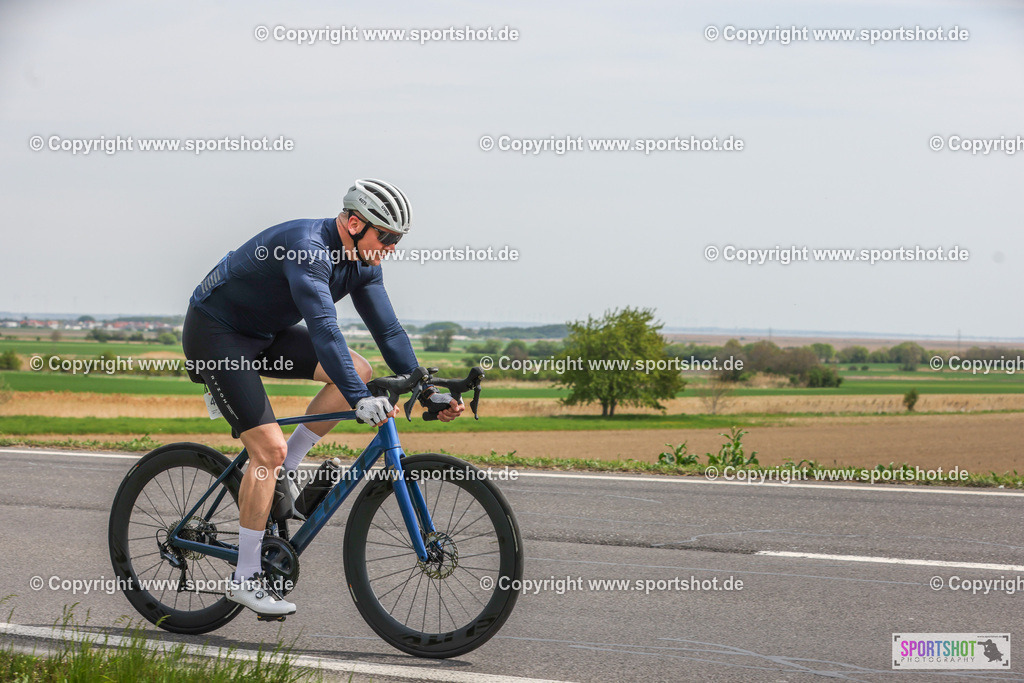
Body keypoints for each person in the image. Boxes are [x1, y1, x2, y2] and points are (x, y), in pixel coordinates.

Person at [181, 178, 463, 617]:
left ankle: (287, 470)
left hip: (263, 333)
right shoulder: (307, 249)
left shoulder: (364, 262)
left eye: (398, 241)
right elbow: (325, 329)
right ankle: (246, 578)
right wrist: (357, 397)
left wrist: (427, 388)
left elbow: (387, 331)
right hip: (217, 334)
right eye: (386, 238)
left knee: (362, 370)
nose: (391, 248)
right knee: (267, 450)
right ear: (354, 223)